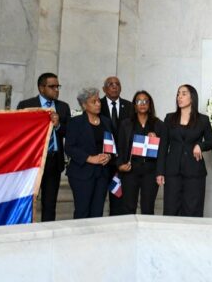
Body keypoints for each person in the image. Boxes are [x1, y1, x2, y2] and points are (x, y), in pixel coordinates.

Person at [17, 72, 70, 222]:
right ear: (41, 88)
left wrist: (58, 125)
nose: (56, 90)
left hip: (54, 161)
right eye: (52, 86)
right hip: (33, 161)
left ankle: (47, 232)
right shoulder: (26, 105)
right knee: (27, 201)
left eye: (57, 86)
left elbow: (70, 132)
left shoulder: (63, 107)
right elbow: (20, 133)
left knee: (49, 203)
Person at [157, 85, 212, 217]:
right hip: (172, 172)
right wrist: (160, 172)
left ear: (192, 97)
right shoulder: (169, 118)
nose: (179, 97)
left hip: (195, 172)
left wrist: (201, 145)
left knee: (193, 209)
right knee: (171, 209)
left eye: (183, 94)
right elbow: (163, 146)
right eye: (178, 94)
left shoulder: (203, 120)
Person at [64, 88, 113, 219]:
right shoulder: (75, 122)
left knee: (98, 211)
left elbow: (111, 144)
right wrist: (90, 158)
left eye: (98, 100)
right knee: (82, 211)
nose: (98, 104)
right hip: (81, 173)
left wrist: (108, 155)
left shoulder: (106, 122)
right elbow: (69, 147)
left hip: (102, 173)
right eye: (94, 101)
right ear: (84, 105)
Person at [115, 90, 166, 215]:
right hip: (130, 169)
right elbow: (120, 147)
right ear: (134, 105)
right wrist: (120, 165)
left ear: (150, 105)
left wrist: (156, 140)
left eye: (145, 101)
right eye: (139, 101)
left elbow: (163, 150)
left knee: (148, 208)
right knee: (128, 206)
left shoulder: (158, 124)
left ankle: (146, 234)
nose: (142, 104)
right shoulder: (126, 124)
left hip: (150, 170)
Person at [100, 75, 133, 216]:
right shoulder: (97, 104)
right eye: (110, 84)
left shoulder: (130, 106)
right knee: (99, 199)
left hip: (122, 161)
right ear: (104, 89)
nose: (114, 86)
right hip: (103, 161)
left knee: (119, 200)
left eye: (117, 84)